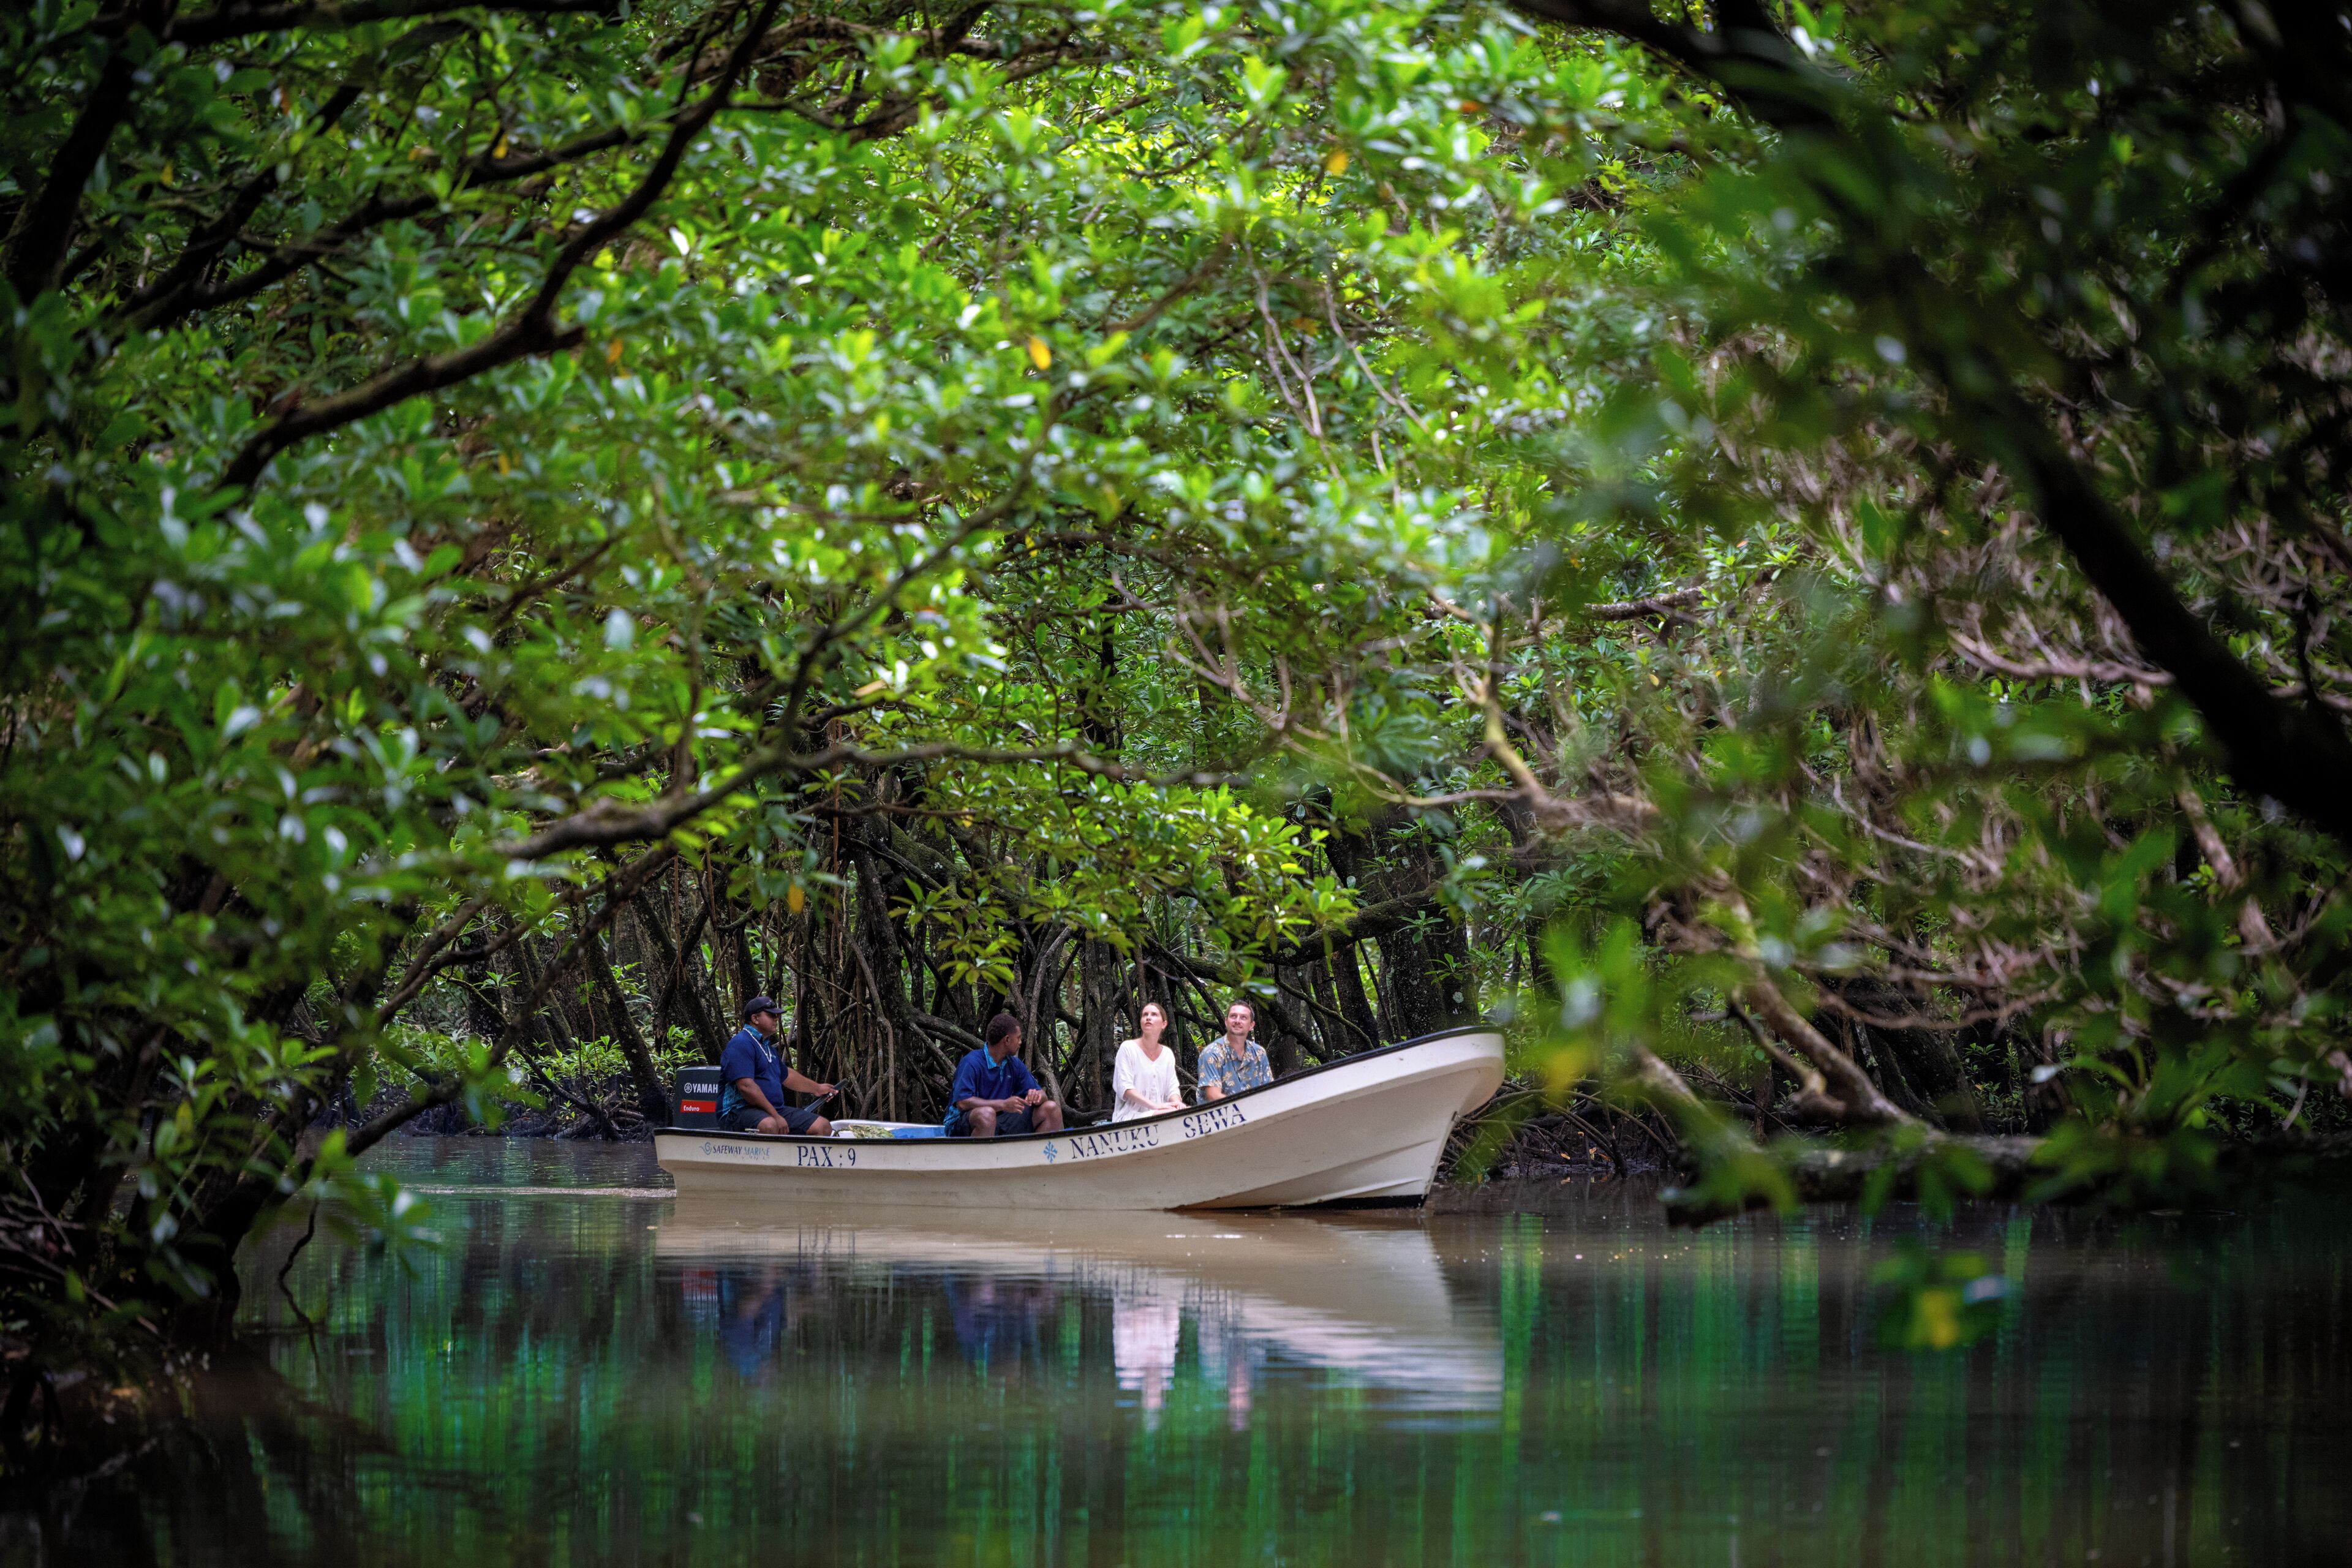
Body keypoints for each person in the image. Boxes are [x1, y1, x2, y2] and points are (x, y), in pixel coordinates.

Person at [718, 996, 835, 1135]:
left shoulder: (767, 1048)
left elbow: (787, 1075)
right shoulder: (741, 1043)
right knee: (770, 1125)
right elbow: (746, 1086)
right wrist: (775, 1115)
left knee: (822, 1126)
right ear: (755, 1019)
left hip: (773, 1111)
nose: (776, 1019)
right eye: (771, 1015)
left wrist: (817, 1088)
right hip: (738, 1111)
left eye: (777, 1016)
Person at [945, 1013, 1065, 1137]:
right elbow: (963, 1103)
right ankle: (981, 1156)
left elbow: (1042, 1094)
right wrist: (1003, 1105)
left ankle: (1033, 1156)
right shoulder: (972, 1062)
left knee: (1051, 1109)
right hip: (963, 1126)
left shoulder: (1014, 1064)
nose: (1020, 1042)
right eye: (1018, 1038)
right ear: (1007, 1040)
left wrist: (1037, 1096)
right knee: (987, 1115)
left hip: (1001, 1121)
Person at [1109, 1001, 1184, 1121]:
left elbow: (1172, 1088)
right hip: (1130, 1117)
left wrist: (1177, 1104)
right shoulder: (1128, 1048)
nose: (1148, 1018)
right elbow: (1126, 1089)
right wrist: (1155, 1106)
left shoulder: (1167, 1054)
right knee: (1173, 1114)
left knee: (1185, 1111)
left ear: (1164, 1024)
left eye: (1154, 1015)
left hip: (1161, 1114)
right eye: (1145, 1015)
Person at [1196, 999, 1273, 1101]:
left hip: (1256, 1112)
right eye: (1233, 1016)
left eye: (1243, 1017)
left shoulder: (1259, 1053)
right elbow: (1214, 1097)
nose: (1238, 1021)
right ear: (1226, 1022)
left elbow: (1270, 1091)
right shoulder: (1212, 1053)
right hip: (1221, 1115)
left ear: (1251, 1025)